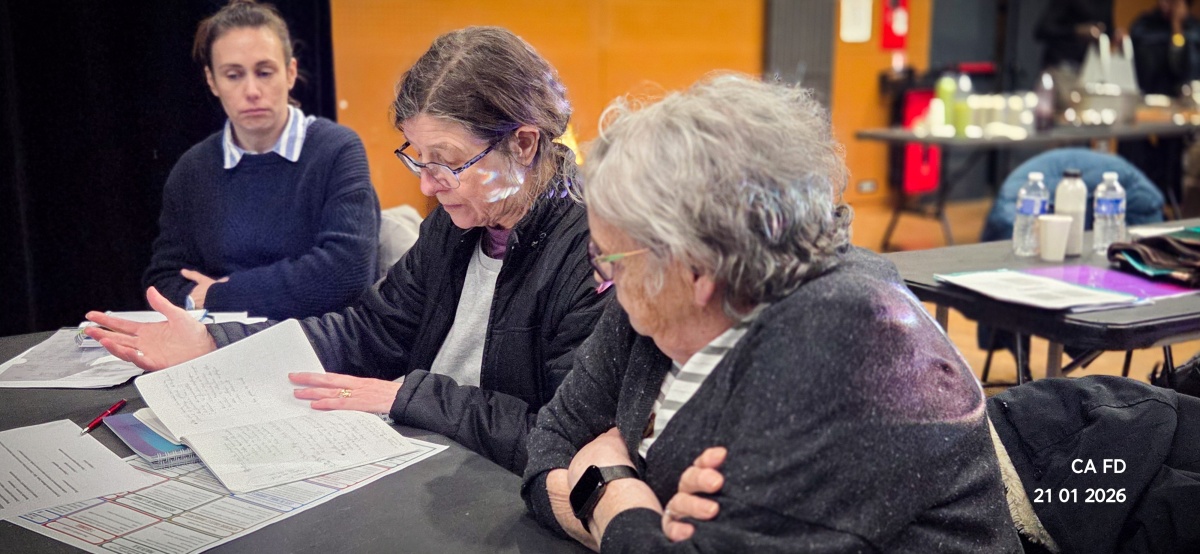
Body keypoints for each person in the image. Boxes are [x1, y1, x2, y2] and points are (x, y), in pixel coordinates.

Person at [520, 75, 1020, 551]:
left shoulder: (849, 339)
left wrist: (609, 487)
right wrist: (651, 520)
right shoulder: (653, 307)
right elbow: (548, 446)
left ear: (697, 268)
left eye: (610, 258)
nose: (603, 277)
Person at [87, 26, 608, 474]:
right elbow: (367, 332)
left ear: (523, 143)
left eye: (447, 161)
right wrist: (215, 343)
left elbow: (564, 437)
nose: (427, 185)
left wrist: (407, 396)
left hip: (498, 486)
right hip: (432, 457)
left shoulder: (596, 252)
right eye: (418, 158)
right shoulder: (455, 227)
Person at [142, 0, 380, 320]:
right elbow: (162, 282)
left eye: (264, 72)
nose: (252, 90)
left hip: (318, 338)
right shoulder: (192, 169)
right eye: (233, 75)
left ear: (290, 73)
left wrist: (218, 294)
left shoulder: (336, 149)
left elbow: (346, 274)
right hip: (218, 341)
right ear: (212, 81)